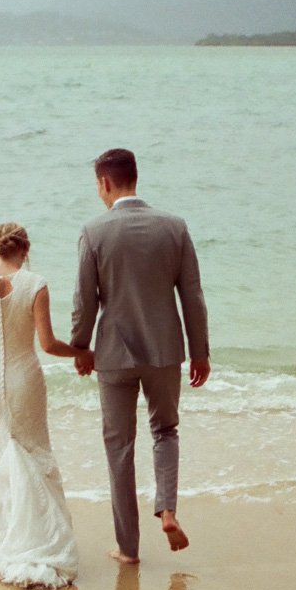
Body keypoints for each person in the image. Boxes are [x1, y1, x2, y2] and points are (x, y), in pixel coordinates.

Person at [70, 148, 209, 565]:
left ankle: (128, 548)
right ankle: (167, 510)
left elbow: (85, 299)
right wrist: (199, 352)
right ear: (135, 178)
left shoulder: (94, 231)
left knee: (119, 447)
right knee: (165, 431)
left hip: (113, 354)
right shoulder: (174, 227)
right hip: (165, 349)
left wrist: (80, 347)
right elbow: (192, 295)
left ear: (105, 183)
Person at [0, 222, 87, 589]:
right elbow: (47, 344)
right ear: (25, 251)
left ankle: (4, 541)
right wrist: (83, 352)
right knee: (33, 454)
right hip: (24, 379)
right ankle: (39, 541)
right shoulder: (36, 283)